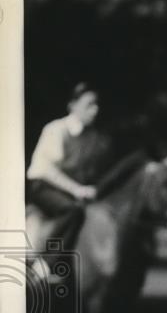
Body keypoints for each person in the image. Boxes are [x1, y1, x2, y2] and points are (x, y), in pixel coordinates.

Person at [26, 82, 112, 253]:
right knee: (71, 211)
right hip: (44, 188)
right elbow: (46, 170)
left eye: (96, 105)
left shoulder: (94, 137)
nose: (95, 110)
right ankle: (45, 262)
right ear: (72, 106)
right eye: (89, 105)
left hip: (71, 191)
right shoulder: (56, 129)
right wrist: (76, 190)